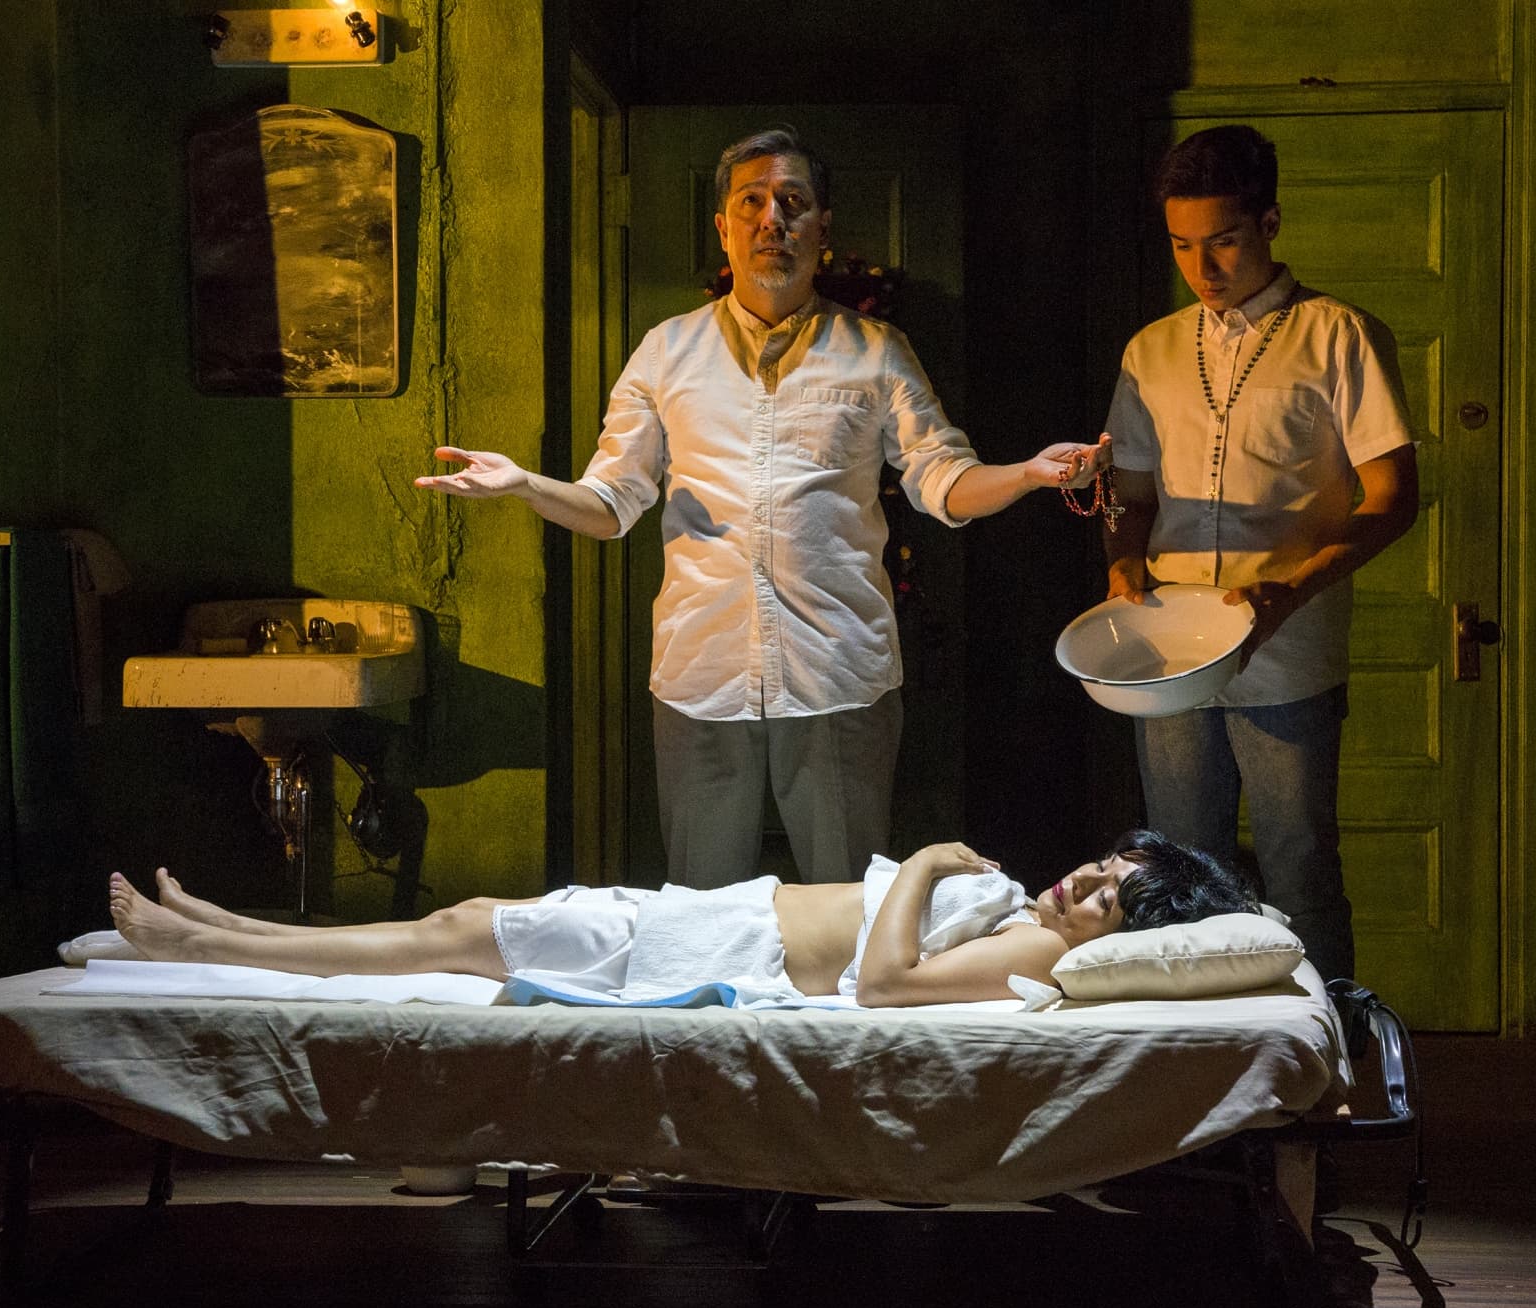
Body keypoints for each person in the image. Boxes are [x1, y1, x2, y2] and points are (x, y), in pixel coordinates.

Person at [414, 127, 1102, 888]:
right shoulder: (666, 351)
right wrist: (523, 486)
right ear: (724, 226)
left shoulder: (875, 349)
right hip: (702, 675)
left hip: (840, 672)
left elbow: (941, 481)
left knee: (847, 906)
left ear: (822, 228)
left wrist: (1029, 475)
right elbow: (612, 504)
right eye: (753, 202)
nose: (772, 219)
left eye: (793, 202)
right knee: (702, 914)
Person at [1093, 124, 1418, 983]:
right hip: (1168, 651)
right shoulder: (1151, 350)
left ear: (1271, 223)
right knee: (1178, 872)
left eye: (1225, 242)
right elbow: (1130, 497)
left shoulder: (1337, 335)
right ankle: (1203, 1065)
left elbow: (1392, 499)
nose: (1204, 270)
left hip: (1289, 650)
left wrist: (1291, 590)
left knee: (1299, 866)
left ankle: (1333, 1062)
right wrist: (1122, 562)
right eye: (1183, 247)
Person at [103, 829, 1257, 1008]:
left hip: (713, 949)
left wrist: (927, 860)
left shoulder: (1043, 949)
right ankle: (216, 925)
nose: (1084, 887)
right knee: (460, 924)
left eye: (1112, 895)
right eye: (1103, 866)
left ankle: (207, 940)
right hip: (715, 914)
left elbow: (890, 983)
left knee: (454, 927)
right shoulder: (1048, 923)